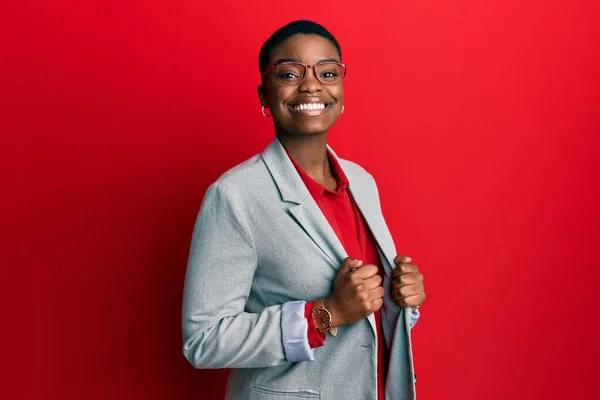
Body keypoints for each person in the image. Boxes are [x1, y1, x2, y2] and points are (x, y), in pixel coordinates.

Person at [182, 20, 426, 400]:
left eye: (327, 72)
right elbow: (204, 340)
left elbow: (366, 315)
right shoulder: (234, 196)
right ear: (265, 95)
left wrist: (400, 297)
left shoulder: (361, 182)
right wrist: (325, 314)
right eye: (290, 73)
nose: (311, 85)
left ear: (341, 93)